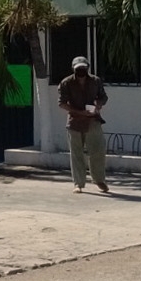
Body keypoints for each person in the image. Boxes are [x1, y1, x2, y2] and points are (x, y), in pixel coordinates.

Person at [57, 56, 109, 194]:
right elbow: (62, 103)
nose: (81, 71)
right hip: (75, 121)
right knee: (76, 153)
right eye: (78, 69)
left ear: (87, 68)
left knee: (98, 150)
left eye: (83, 69)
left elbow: (103, 96)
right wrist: (79, 112)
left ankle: (99, 180)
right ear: (74, 69)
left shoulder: (96, 81)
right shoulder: (66, 83)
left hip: (93, 120)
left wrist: (99, 104)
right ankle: (78, 183)